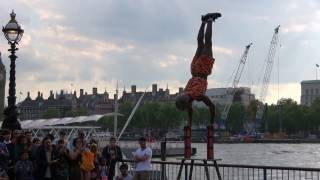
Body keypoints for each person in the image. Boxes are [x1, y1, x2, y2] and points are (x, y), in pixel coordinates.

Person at [175, 13, 222, 127]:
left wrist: (211, 123)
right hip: (194, 69)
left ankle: (210, 20)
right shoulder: (186, 92)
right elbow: (189, 109)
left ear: (187, 102)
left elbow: (211, 106)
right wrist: (190, 124)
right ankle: (203, 22)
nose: (189, 107)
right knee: (200, 45)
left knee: (208, 43)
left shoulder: (198, 95)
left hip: (202, 70)